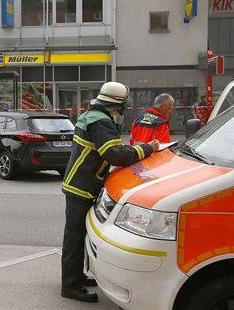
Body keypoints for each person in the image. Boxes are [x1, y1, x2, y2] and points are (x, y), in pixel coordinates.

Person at [61, 82, 159, 303]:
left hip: (80, 183)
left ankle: (75, 276)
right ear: (119, 104)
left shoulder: (92, 115)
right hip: (82, 186)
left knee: (76, 236)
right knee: (75, 238)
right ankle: (70, 285)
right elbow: (115, 154)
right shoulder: (101, 122)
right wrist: (147, 149)